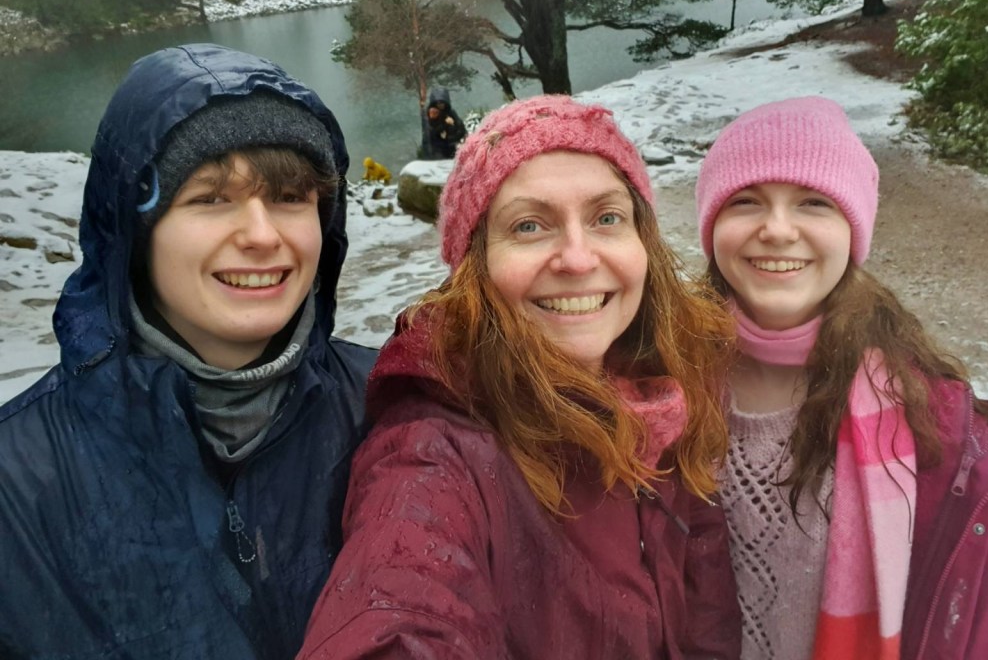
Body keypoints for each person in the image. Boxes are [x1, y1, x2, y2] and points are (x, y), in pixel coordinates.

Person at [298, 95, 741, 658]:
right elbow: (400, 607)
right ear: (475, 266)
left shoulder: (667, 397)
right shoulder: (436, 450)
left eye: (607, 217)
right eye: (529, 225)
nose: (578, 259)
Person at [0, 43, 377, 659]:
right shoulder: (16, 484)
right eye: (209, 198)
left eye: (290, 197)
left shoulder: (394, 409)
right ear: (134, 232)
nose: (262, 235)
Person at [694, 96, 988, 660]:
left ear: (854, 229)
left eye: (813, 202)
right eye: (746, 200)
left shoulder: (937, 428)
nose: (777, 230)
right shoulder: (659, 385)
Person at [419, 85, 467, 159]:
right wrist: (444, 125)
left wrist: (450, 135)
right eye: (438, 103)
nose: (440, 106)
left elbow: (461, 130)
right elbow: (429, 134)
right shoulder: (428, 114)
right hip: (436, 148)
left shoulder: (450, 112)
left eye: (442, 103)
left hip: (450, 145)